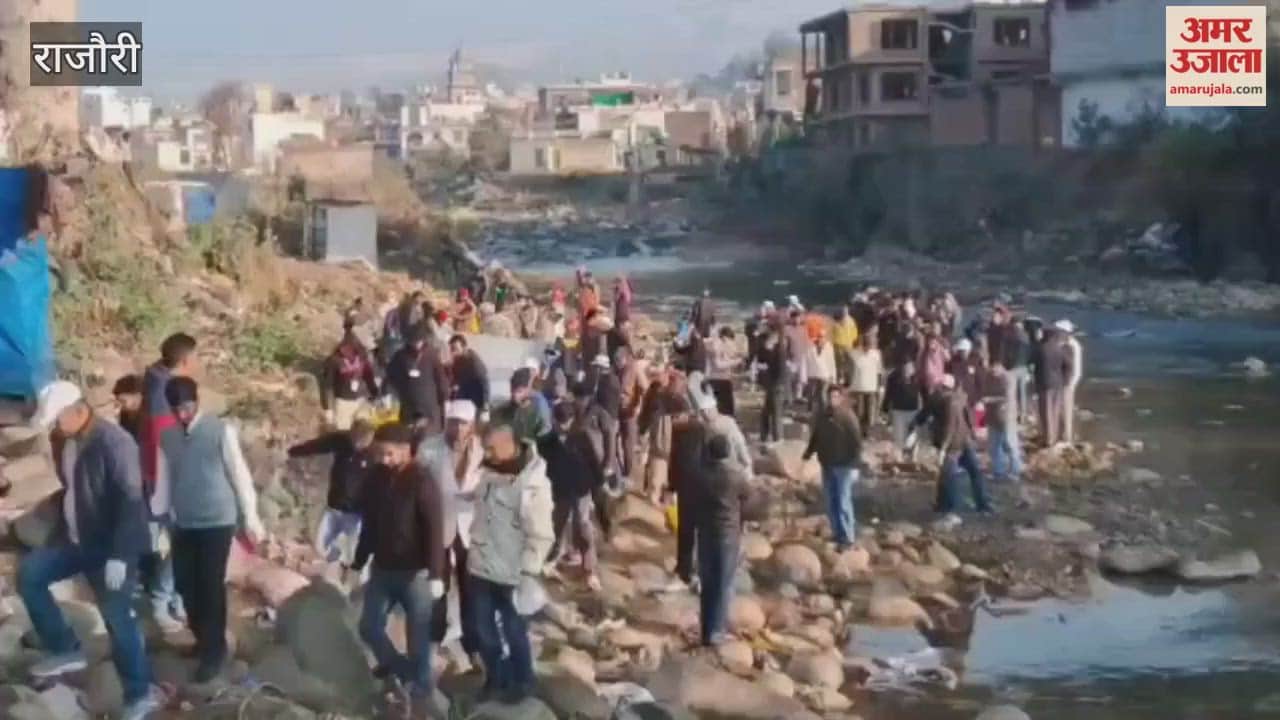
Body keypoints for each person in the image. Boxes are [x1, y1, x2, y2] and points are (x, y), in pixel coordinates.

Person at [20, 382, 161, 720]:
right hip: (75, 540)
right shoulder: (65, 441)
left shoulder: (116, 444)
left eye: (58, 420)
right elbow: (72, 489)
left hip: (112, 548)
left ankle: (140, 693)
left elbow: (131, 502)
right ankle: (65, 648)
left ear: (79, 410)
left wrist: (121, 556)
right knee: (30, 575)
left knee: (118, 619)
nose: (55, 428)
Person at [160, 377, 266, 683]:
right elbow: (165, 479)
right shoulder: (168, 437)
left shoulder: (220, 431)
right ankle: (201, 638)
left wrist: (251, 519)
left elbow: (240, 475)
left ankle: (214, 651)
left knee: (209, 585)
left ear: (197, 402)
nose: (183, 414)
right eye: (176, 410)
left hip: (217, 520)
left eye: (187, 407)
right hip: (184, 521)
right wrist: (162, 516)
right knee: (184, 584)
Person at [351, 423, 446, 716]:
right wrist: (358, 561)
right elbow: (369, 524)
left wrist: (436, 573)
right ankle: (400, 669)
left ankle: (422, 691)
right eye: (380, 454)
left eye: (389, 454)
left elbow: (435, 529)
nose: (384, 459)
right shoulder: (376, 478)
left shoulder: (422, 480)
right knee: (369, 627)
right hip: (382, 569)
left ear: (406, 450)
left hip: (415, 573)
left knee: (418, 637)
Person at [467, 424, 555, 704]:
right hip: (482, 568)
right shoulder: (487, 473)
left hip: (513, 574)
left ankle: (523, 681)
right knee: (484, 631)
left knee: (514, 631)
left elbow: (541, 533)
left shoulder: (532, 484)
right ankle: (496, 678)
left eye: (492, 448)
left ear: (510, 445)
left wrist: (529, 572)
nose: (487, 454)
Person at [416, 401, 484, 670]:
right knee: (437, 587)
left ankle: (474, 648)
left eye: (463, 423)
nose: (457, 428)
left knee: (472, 590)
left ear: (472, 426)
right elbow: (417, 485)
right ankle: (433, 643)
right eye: (453, 422)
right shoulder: (429, 449)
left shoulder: (483, 451)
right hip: (437, 526)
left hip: (471, 527)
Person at [139, 332, 198, 634]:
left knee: (176, 541)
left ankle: (176, 597)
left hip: (155, 475)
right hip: (164, 478)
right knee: (182, 541)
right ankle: (162, 600)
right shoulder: (165, 397)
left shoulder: (155, 382)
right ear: (185, 361)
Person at [288, 419, 375, 576]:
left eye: (362, 442)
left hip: (356, 513)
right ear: (351, 434)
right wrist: (293, 451)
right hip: (334, 506)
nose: (357, 445)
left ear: (369, 440)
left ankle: (354, 579)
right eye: (355, 440)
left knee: (352, 552)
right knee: (320, 545)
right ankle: (327, 572)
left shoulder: (374, 454)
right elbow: (317, 445)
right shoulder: (340, 441)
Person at [692, 434, 755, 647]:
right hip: (728, 534)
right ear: (727, 452)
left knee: (707, 582)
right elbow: (749, 499)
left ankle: (706, 629)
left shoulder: (700, 476)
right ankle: (717, 631)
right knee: (723, 582)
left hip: (705, 532)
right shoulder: (735, 476)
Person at [538, 402, 603, 588]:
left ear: (572, 419)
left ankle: (589, 570)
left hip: (581, 489)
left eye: (566, 421)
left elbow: (593, 462)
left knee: (582, 526)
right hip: (559, 490)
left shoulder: (581, 437)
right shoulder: (546, 442)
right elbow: (539, 466)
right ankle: (549, 561)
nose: (563, 425)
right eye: (559, 421)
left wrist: (599, 484)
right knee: (556, 526)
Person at [913, 375, 992, 518]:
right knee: (974, 472)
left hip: (951, 443)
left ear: (941, 386)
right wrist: (973, 434)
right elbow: (969, 418)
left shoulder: (938, 399)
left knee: (948, 477)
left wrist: (943, 447)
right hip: (964, 440)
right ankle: (983, 504)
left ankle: (947, 508)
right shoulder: (961, 398)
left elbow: (945, 425)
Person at [802, 385, 863, 549]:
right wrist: (808, 453)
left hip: (844, 465)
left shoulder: (848, 417)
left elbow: (857, 442)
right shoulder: (823, 415)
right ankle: (837, 534)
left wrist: (856, 465)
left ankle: (848, 537)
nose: (832, 400)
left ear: (841, 398)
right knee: (830, 501)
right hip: (827, 463)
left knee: (843, 501)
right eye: (830, 396)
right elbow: (816, 436)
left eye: (835, 396)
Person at [386, 325, 450, 434]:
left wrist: (445, 397)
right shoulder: (401, 356)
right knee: (409, 435)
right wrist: (398, 391)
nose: (416, 344)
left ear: (423, 340)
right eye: (413, 341)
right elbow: (391, 375)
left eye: (418, 341)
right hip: (409, 405)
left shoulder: (431, 355)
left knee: (429, 434)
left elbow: (440, 378)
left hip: (429, 406)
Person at [321, 319, 379, 430]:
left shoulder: (362, 357)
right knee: (344, 433)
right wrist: (328, 409)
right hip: (343, 402)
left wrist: (375, 397)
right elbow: (328, 386)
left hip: (362, 401)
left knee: (364, 432)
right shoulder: (334, 360)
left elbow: (369, 378)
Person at [1034, 323, 1075, 448]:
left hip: (1044, 383)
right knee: (1055, 410)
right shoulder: (1059, 349)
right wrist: (1066, 380)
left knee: (1045, 412)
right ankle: (1055, 436)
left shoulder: (1040, 349)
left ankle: (1048, 439)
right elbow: (1068, 365)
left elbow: (1034, 365)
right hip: (1058, 383)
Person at [983, 362, 1022, 482]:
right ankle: (998, 471)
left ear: (1001, 367)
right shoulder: (989, 377)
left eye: (995, 371)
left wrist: (990, 399)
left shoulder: (1008, 379)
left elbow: (1008, 397)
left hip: (1007, 416)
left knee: (1010, 444)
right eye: (992, 371)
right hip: (993, 416)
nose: (993, 373)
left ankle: (1015, 471)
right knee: (993, 446)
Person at [491, 368, 552, 443]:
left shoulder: (540, 408)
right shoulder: (511, 405)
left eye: (519, 391)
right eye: (512, 391)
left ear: (528, 389)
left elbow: (544, 435)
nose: (515, 396)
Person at [882, 358, 922, 462]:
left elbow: (923, 394)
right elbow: (888, 393)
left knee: (912, 436)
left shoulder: (917, 378)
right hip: (898, 411)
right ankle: (899, 459)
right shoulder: (893, 378)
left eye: (910, 367)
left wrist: (923, 412)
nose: (908, 370)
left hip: (913, 410)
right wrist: (885, 408)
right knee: (899, 437)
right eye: (906, 367)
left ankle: (912, 457)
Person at [756, 330, 788, 444]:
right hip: (773, 385)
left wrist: (767, 349)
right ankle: (766, 436)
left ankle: (777, 437)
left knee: (775, 412)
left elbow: (775, 367)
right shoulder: (776, 350)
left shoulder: (778, 351)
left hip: (776, 385)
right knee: (768, 412)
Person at [447, 335, 491, 418]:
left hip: (475, 399)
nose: (453, 352)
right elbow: (456, 378)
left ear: (464, 348)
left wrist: (486, 406)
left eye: (455, 349)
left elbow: (485, 383)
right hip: (463, 396)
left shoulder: (474, 363)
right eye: (451, 349)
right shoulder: (458, 359)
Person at [849, 332, 883, 432]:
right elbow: (849, 368)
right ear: (862, 344)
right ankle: (857, 430)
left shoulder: (876, 355)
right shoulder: (854, 354)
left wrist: (880, 385)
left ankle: (866, 432)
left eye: (868, 345)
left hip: (871, 387)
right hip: (858, 387)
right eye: (865, 345)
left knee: (869, 413)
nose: (867, 348)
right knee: (859, 412)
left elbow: (879, 371)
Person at [1059, 320, 1083, 444]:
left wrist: (1071, 385)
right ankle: (1061, 433)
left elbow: (1077, 368)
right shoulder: (1061, 343)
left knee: (1067, 410)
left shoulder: (1074, 345)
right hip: (1060, 382)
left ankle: (1067, 436)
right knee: (1060, 409)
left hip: (1068, 383)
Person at [706, 327, 738, 417]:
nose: (730, 343)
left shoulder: (718, 345)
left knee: (723, 410)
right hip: (719, 381)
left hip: (720, 380)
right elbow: (718, 365)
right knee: (724, 411)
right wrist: (736, 361)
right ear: (724, 337)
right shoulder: (716, 346)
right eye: (729, 340)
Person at [832, 307, 859, 388]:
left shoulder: (838, 321)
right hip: (846, 345)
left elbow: (832, 333)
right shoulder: (851, 321)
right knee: (847, 364)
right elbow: (855, 333)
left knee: (841, 364)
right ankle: (847, 380)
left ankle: (841, 380)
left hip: (840, 345)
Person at [112, 374, 145, 442]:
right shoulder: (126, 412)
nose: (119, 405)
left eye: (123, 401)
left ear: (137, 397)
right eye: (117, 400)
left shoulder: (147, 421)